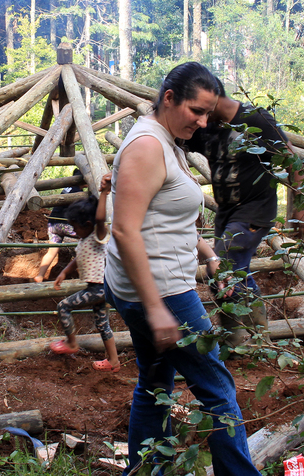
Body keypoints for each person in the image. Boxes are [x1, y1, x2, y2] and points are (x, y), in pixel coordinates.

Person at [105, 62, 262, 476]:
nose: (204, 121)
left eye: (209, 113)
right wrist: (156, 307)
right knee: (218, 390)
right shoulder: (146, 146)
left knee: (155, 383)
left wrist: (208, 254)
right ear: (169, 98)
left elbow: (166, 216)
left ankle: (144, 470)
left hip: (150, 287)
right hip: (162, 292)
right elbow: (124, 228)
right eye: (197, 110)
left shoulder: (167, 140)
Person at [186, 82, 304, 345]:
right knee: (219, 271)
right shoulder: (208, 127)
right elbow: (174, 136)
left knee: (226, 262)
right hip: (226, 213)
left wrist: (301, 208)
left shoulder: (254, 119)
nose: (200, 119)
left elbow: (292, 161)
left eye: (203, 109)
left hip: (255, 209)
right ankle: (242, 338)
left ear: (214, 98)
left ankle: (252, 341)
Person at [50, 174, 120, 372]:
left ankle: (72, 343)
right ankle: (113, 361)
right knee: (102, 324)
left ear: (88, 225)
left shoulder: (98, 235)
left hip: (100, 288)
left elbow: (100, 219)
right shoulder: (84, 240)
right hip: (97, 289)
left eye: (75, 227)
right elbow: (77, 259)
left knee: (64, 306)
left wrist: (104, 194)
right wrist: (63, 272)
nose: (73, 230)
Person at [35, 169, 84, 283]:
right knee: (89, 238)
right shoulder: (79, 193)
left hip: (52, 225)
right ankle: (83, 273)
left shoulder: (67, 189)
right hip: (64, 225)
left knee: (51, 252)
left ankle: (39, 276)